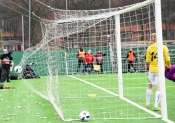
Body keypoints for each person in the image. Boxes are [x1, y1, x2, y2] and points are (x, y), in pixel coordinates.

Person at [145, 33, 171, 111]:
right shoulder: (164, 47)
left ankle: (147, 103)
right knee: (159, 87)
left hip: (151, 69)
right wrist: (168, 67)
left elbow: (147, 60)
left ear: (153, 39)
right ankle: (156, 105)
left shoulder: (149, 48)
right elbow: (168, 59)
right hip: (159, 69)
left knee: (149, 85)